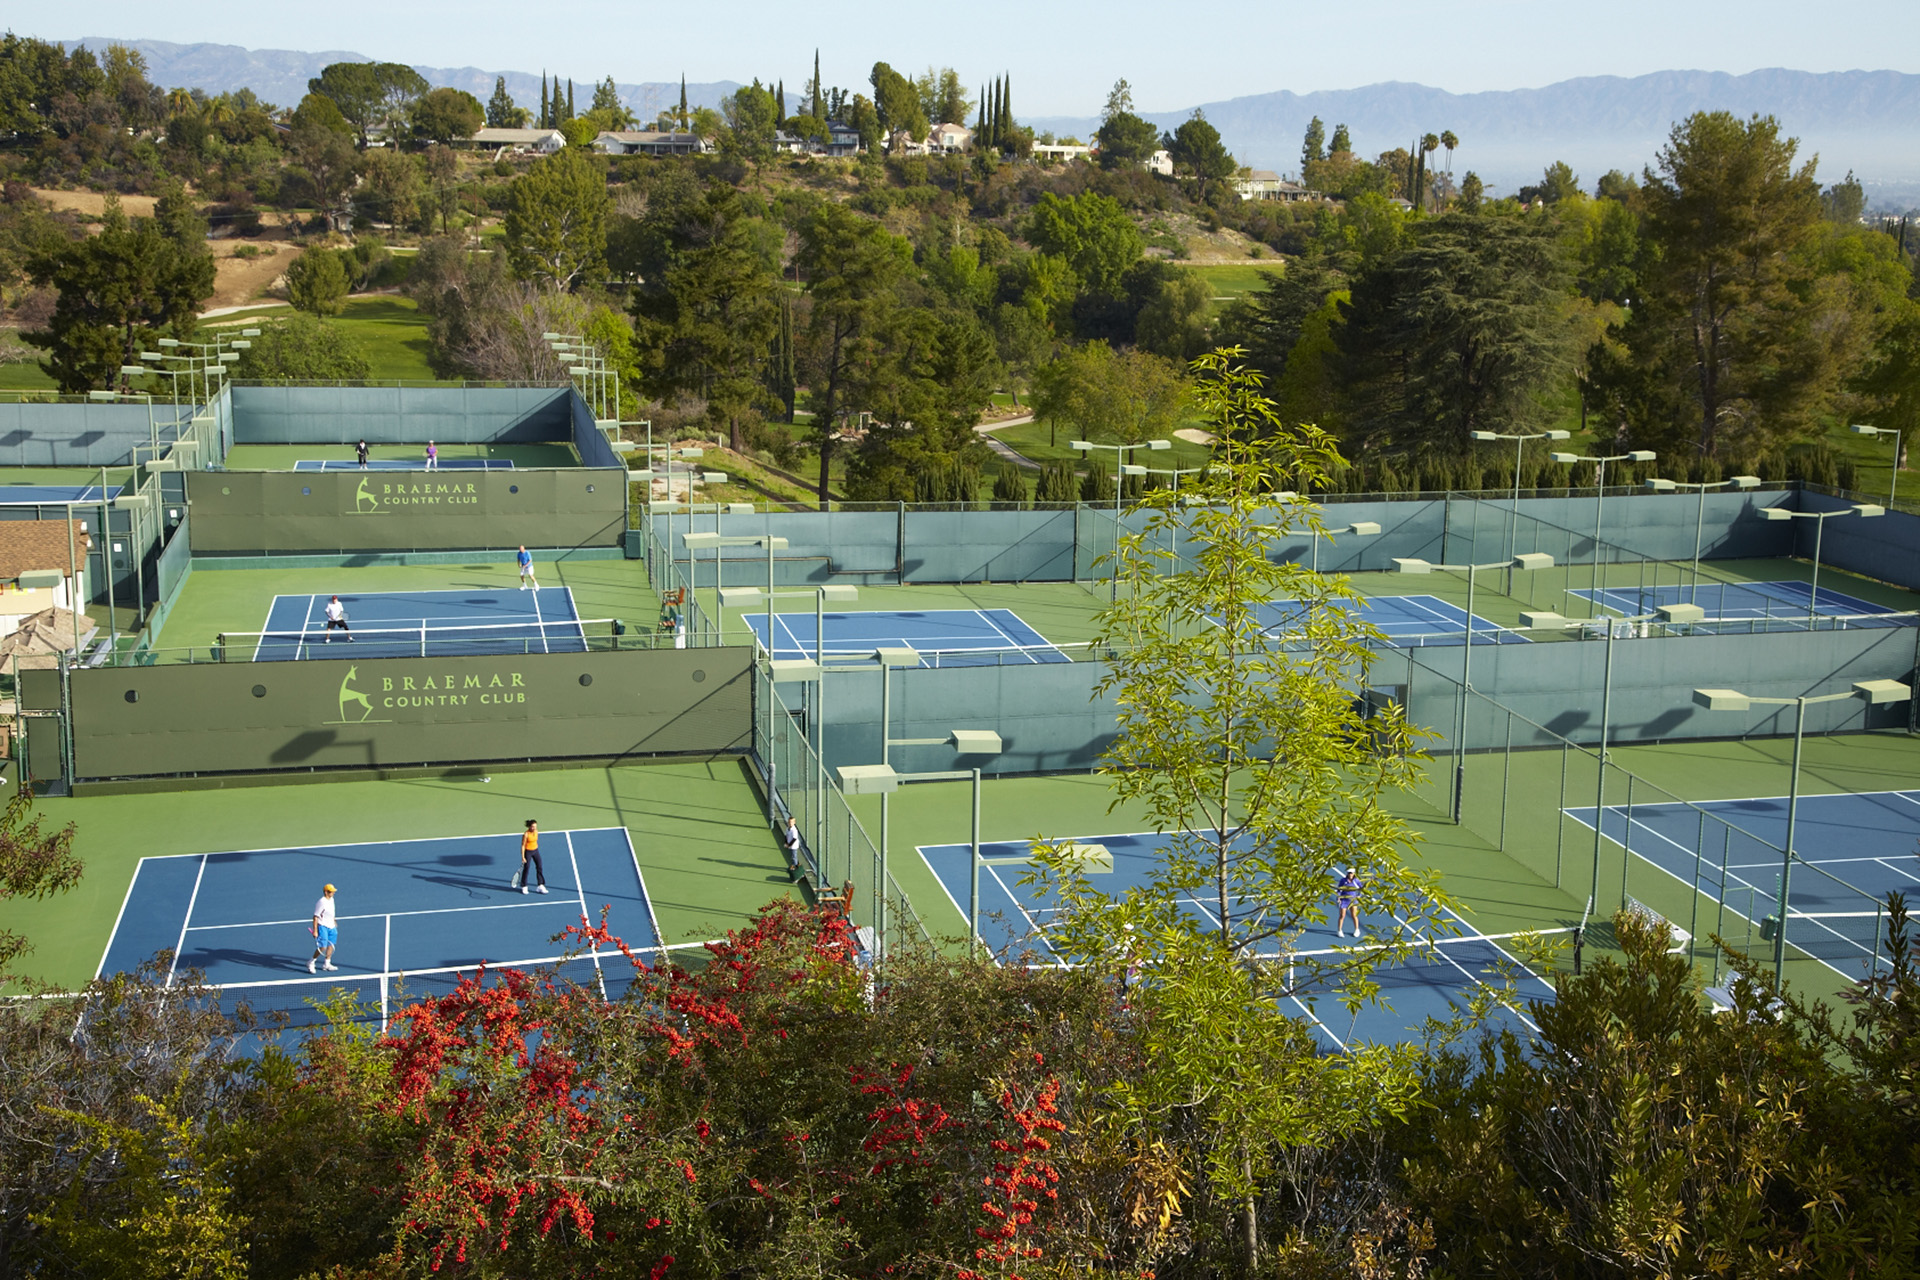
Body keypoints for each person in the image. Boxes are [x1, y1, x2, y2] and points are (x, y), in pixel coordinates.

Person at [308, 883, 339, 973]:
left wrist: (334, 920)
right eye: (331, 891)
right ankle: (311, 962)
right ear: (326, 892)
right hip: (323, 926)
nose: (333, 893)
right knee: (322, 947)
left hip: (331, 926)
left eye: (333, 891)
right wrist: (315, 931)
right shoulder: (321, 902)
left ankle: (327, 964)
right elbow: (315, 917)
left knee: (331, 945)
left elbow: (332, 912)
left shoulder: (332, 899)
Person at [518, 819, 548, 894]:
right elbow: (523, 846)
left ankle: (540, 885)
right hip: (528, 852)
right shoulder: (526, 834)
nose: (534, 828)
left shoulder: (536, 832)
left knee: (539, 866)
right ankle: (524, 886)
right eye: (533, 826)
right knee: (527, 868)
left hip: (535, 851)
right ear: (529, 826)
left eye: (535, 826)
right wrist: (523, 857)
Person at [1335, 867, 1364, 937]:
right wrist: (1338, 897)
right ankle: (1339, 930)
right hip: (1344, 900)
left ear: (1354, 873)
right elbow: (1339, 890)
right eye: (1349, 873)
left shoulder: (1356, 881)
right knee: (1342, 915)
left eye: (1351, 873)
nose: (1350, 874)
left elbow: (1362, 889)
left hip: (1353, 901)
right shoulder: (1343, 880)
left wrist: (1359, 895)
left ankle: (1357, 929)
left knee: (1354, 915)